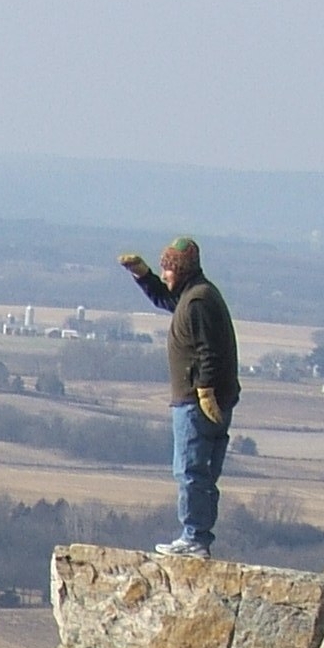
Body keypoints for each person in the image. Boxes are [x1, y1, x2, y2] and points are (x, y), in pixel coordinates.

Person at [120, 236, 240, 557]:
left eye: (170, 269)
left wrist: (205, 391)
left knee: (190, 471)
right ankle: (197, 535)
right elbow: (167, 299)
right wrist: (143, 276)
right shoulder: (193, 294)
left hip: (196, 403)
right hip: (201, 400)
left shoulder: (198, 301)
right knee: (200, 473)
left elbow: (208, 351)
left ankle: (195, 538)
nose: (166, 275)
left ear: (184, 271)